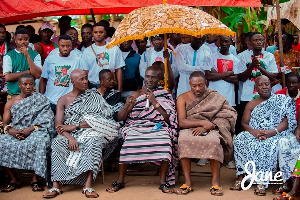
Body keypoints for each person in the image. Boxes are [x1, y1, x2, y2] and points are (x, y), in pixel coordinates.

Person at [43, 69, 120, 198]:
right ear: (72, 82)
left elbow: (102, 119)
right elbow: (58, 125)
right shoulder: (63, 100)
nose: (85, 82)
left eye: (86, 78)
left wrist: (76, 126)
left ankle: (88, 184)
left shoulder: (95, 96)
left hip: (91, 131)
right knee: (57, 142)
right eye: (81, 79)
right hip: (68, 134)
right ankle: (56, 185)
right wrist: (70, 137)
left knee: (94, 140)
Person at [106, 65, 178, 194]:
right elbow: (121, 117)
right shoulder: (137, 93)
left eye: (153, 77)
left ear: (160, 79)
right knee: (129, 140)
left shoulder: (165, 94)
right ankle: (121, 180)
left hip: (158, 126)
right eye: (147, 77)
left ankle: (162, 181)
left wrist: (154, 102)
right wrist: (128, 104)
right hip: (137, 126)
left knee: (166, 140)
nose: (149, 80)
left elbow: (169, 119)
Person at [230, 75, 297, 196]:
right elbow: (244, 123)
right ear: (256, 88)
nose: (264, 87)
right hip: (255, 133)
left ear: (271, 85)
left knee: (267, 145)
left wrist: (271, 132)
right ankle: (240, 177)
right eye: (260, 85)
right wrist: (255, 132)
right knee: (240, 140)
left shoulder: (281, 100)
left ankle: (262, 181)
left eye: (266, 84)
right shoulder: (251, 104)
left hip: (275, 133)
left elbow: (286, 122)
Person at [175, 71, 237, 196]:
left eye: (200, 85)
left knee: (214, 141)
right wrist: (202, 123)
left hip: (212, 127)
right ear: (189, 84)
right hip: (190, 128)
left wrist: (210, 126)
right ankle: (188, 182)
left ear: (206, 83)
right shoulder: (182, 98)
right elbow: (181, 122)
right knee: (182, 140)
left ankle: (215, 182)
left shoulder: (215, 96)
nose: (197, 88)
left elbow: (228, 114)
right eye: (194, 86)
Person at [0, 73, 54, 193]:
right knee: (1, 143)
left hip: (35, 130)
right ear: (19, 85)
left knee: (41, 141)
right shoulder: (11, 102)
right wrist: (12, 131)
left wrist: (30, 129)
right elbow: (5, 124)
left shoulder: (41, 99)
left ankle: (34, 179)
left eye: (31, 84)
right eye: (25, 84)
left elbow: (47, 120)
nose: (29, 86)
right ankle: (14, 179)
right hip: (16, 131)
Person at [237, 32, 278, 134]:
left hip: (265, 96)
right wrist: (251, 66)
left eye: (261, 40)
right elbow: (241, 78)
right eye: (255, 40)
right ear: (250, 43)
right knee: (246, 124)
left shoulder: (269, 56)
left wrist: (259, 67)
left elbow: (273, 77)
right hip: (247, 95)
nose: (259, 42)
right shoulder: (243, 56)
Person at [39, 35, 81, 112]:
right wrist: (41, 98)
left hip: (68, 102)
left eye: (68, 46)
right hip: (50, 100)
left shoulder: (77, 60)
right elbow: (43, 79)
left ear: (72, 47)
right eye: (62, 46)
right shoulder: (50, 59)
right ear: (58, 46)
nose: (65, 48)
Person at [81, 22, 124, 90]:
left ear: (105, 33)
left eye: (101, 32)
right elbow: (85, 73)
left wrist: (119, 89)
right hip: (94, 87)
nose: (98, 34)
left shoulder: (114, 48)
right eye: (96, 32)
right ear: (92, 34)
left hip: (111, 86)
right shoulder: (87, 51)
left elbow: (118, 70)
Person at [3, 28, 42, 99]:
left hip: (31, 95)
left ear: (29, 40)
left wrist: (28, 56)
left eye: (26, 39)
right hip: (14, 95)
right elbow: (8, 77)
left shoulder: (35, 55)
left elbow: (37, 75)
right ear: (15, 40)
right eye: (20, 40)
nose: (23, 42)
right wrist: (28, 72)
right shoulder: (8, 56)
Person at [205, 35, 239, 108]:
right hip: (213, 99)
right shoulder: (210, 58)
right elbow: (208, 76)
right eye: (222, 41)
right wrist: (229, 73)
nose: (223, 44)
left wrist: (216, 74)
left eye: (226, 41)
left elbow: (236, 79)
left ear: (231, 42)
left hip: (229, 99)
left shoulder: (235, 60)